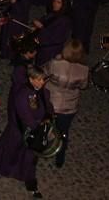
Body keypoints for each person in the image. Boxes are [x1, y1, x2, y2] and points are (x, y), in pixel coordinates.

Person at [0, 65, 52, 199]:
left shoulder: (42, 91)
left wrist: (49, 115)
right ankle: (3, 168)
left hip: (35, 130)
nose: (42, 82)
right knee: (11, 150)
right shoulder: (23, 95)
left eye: (43, 79)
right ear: (31, 79)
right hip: (20, 130)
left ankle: (30, 182)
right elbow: (25, 115)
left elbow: (47, 105)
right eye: (39, 79)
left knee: (30, 157)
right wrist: (38, 124)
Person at [42, 39, 89, 167]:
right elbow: (84, 86)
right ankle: (60, 158)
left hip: (51, 102)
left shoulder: (55, 64)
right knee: (63, 132)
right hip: (69, 106)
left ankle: (40, 148)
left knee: (44, 127)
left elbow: (44, 73)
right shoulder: (84, 69)